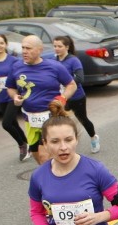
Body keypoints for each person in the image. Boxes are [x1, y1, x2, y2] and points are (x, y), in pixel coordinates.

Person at [6, 36, 77, 165]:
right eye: (23, 48)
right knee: (37, 155)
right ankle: (54, 177)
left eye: (28, 48)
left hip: (50, 116)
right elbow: (10, 87)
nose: (24, 51)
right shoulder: (16, 66)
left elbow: (72, 85)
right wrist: (14, 96)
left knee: (45, 157)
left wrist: (62, 99)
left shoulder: (54, 66)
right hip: (30, 119)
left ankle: (54, 182)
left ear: (40, 50)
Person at [53, 36, 100, 153]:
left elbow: (80, 78)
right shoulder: (55, 61)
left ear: (67, 47)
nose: (57, 49)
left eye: (60, 46)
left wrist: (67, 83)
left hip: (76, 96)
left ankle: (94, 137)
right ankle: (65, 144)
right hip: (61, 97)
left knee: (82, 119)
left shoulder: (73, 60)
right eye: (55, 46)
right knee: (60, 121)